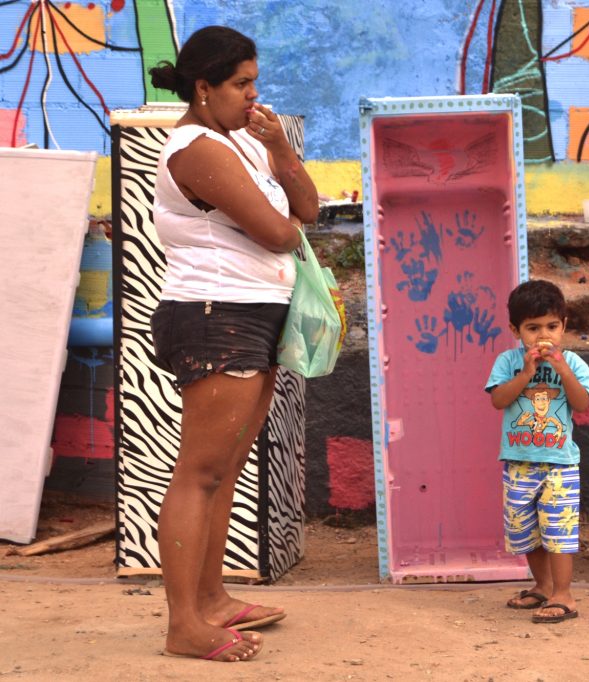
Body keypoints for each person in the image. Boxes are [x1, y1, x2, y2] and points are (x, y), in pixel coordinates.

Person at [147, 26, 319, 661]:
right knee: (200, 473)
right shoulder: (197, 149)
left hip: (250, 314)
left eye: (255, 83)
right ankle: (184, 624)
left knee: (223, 473)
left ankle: (213, 599)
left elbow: (308, 207)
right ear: (203, 87)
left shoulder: (241, 143)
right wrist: (287, 211)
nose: (254, 97)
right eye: (241, 84)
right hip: (215, 314)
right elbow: (280, 232)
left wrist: (279, 149)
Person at [485, 280, 589, 624]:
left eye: (550, 326)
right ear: (515, 330)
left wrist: (560, 368)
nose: (542, 335)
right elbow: (498, 400)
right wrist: (527, 373)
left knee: (558, 530)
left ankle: (564, 594)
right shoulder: (508, 361)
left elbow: (582, 403)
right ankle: (543, 586)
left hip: (560, 465)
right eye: (532, 328)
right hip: (518, 464)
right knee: (524, 530)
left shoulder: (574, 363)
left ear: (563, 325)